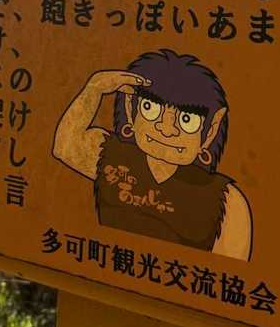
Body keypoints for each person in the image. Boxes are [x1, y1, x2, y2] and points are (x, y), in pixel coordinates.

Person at [52, 48, 252, 260]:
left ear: (211, 130)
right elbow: (64, 146)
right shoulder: (111, 154)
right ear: (131, 109)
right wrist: (95, 88)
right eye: (150, 108)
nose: (166, 129)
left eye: (187, 120)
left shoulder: (227, 200)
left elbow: (230, 273)